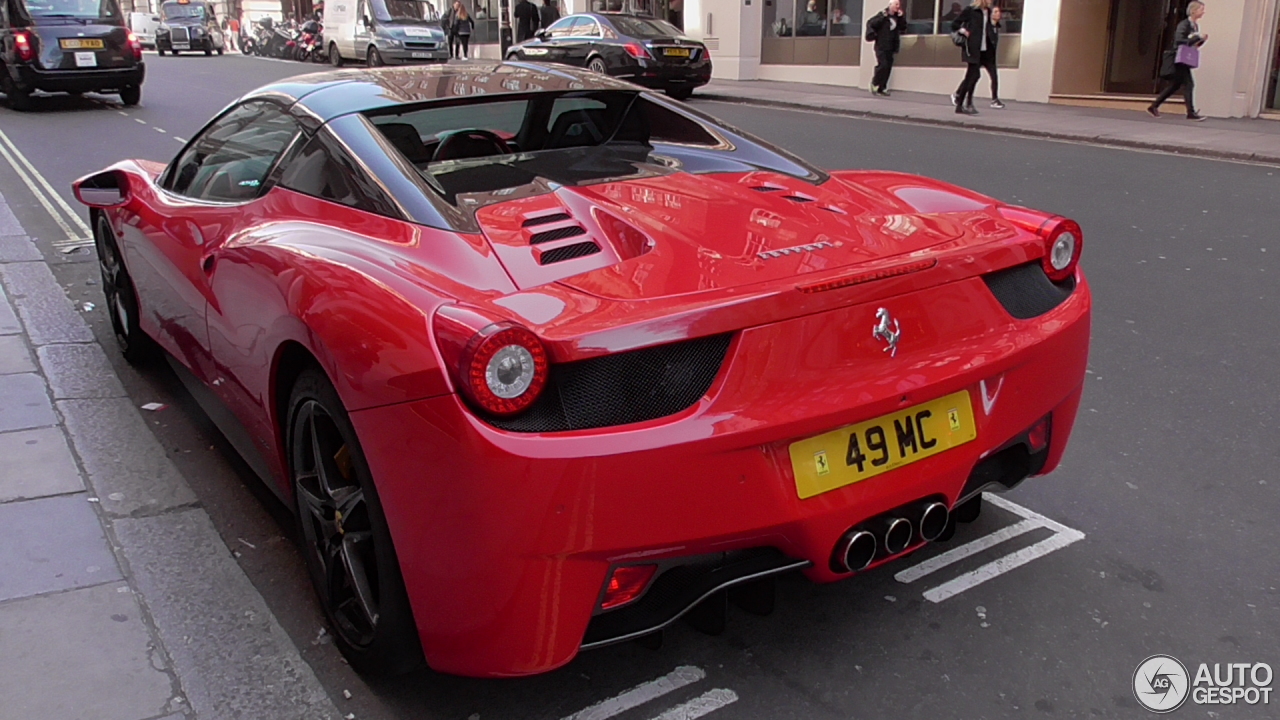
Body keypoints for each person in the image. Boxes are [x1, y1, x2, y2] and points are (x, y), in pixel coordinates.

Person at [1148, 0, 1208, 121]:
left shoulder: (1194, 25)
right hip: (1178, 58)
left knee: (1175, 85)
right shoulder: (1184, 24)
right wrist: (1197, 37)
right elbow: (1179, 41)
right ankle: (1190, 113)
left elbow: (1191, 43)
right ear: (1193, 11)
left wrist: (1201, 41)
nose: (1203, 12)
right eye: (1201, 9)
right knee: (1189, 84)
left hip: (1184, 59)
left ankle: (1154, 106)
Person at [950, 0, 993, 115]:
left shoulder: (987, 11)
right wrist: (964, 31)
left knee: (973, 76)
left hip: (983, 49)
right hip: (972, 47)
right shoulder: (971, 10)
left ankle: (963, 103)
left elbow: (986, 29)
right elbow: (954, 24)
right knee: (972, 75)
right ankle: (964, 103)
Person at [866, 0, 906, 97]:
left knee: (888, 67)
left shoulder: (897, 17)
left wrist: (901, 17)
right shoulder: (883, 15)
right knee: (883, 65)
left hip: (891, 46)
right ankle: (875, 83)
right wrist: (883, 17)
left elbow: (903, 27)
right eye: (896, 4)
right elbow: (872, 23)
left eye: (899, 5)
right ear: (890, 5)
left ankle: (882, 87)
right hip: (881, 45)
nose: (897, 6)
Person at [979, 5, 1003, 108]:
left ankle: (994, 99)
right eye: (995, 12)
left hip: (990, 58)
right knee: (972, 76)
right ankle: (958, 94)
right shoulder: (987, 27)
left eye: (999, 11)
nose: (998, 14)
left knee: (994, 77)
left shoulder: (996, 27)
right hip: (982, 55)